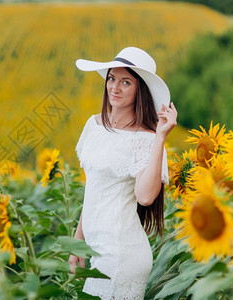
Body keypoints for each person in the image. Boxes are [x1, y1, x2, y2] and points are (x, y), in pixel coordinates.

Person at [69, 47, 177, 299]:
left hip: (120, 254)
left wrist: (160, 138)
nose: (115, 87)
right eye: (111, 78)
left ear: (141, 90)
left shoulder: (146, 139)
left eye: (126, 82)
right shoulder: (94, 125)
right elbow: (93, 190)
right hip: (95, 250)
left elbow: (146, 197)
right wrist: (77, 244)